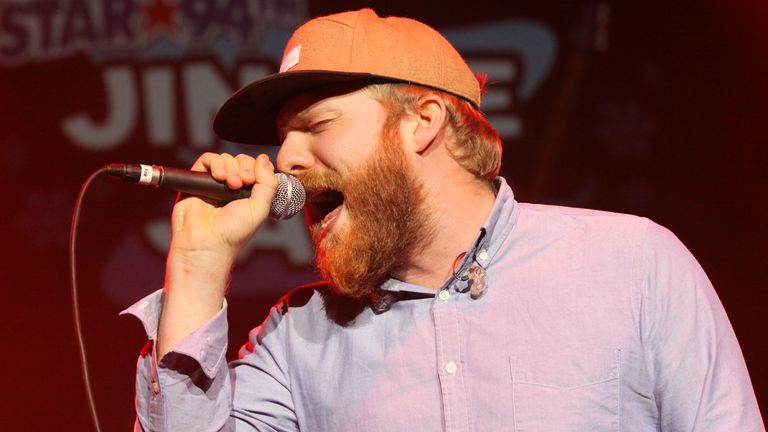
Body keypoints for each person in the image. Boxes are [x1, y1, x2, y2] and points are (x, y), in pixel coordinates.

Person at [124, 8, 764, 431]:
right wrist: (196, 269)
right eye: (281, 139)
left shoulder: (633, 266)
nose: (284, 159)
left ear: (423, 122)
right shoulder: (296, 341)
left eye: (316, 126)